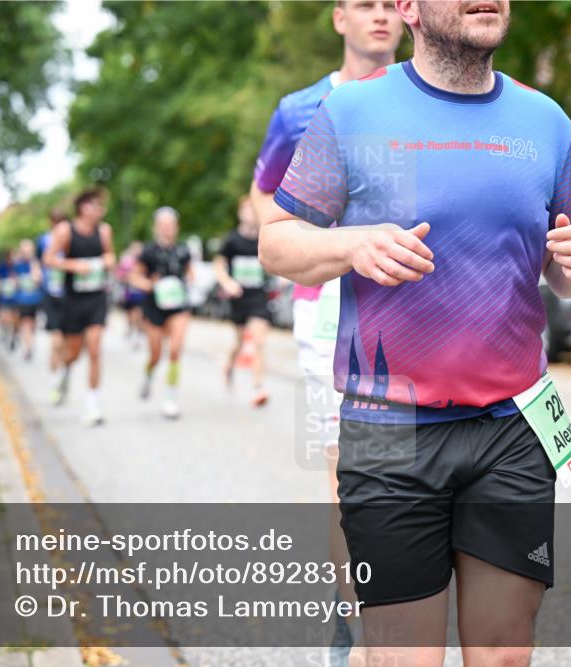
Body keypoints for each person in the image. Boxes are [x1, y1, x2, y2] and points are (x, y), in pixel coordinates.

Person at [258, 1, 571, 664]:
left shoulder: (545, 121)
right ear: (409, 8)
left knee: (504, 654)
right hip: (387, 430)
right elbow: (276, 242)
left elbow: (567, 267)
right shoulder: (355, 112)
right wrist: (352, 244)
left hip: (512, 426)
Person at [247, 2, 403, 663]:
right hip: (329, 310)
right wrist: (330, 241)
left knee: (405, 480)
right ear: (340, 18)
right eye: (366, 4)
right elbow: (264, 203)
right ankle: (351, 619)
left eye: (393, 4)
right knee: (351, 479)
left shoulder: (431, 99)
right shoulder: (300, 109)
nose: (381, 17)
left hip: (413, 309)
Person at [44, 187, 116, 426]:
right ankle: (64, 374)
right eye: (97, 205)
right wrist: (75, 266)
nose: (100, 211)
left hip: (96, 297)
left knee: (95, 348)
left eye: (102, 206)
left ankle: (93, 405)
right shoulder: (66, 230)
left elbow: (111, 257)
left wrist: (105, 262)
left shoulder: (104, 231)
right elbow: (49, 258)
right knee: (73, 352)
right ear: (83, 207)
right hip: (73, 299)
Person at [131, 206, 194, 419]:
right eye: (163, 225)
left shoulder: (183, 250)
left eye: (170, 225)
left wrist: (191, 280)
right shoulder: (148, 252)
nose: (167, 229)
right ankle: (148, 376)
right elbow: (134, 277)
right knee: (156, 355)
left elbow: (190, 272)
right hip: (154, 308)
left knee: (175, 350)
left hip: (178, 307)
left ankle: (170, 398)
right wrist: (149, 285)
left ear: (176, 228)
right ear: (156, 228)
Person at [215, 196, 273, 407]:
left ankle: (258, 387)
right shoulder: (232, 240)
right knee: (240, 342)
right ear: (240, 213)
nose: (250, 214)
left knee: (258, 341)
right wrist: (228, 282)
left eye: (253, 210)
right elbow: (219, 266)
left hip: (258, 296)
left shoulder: (264, 238)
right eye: (246, 210)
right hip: (238, 297)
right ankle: (229, 366)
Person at [38, 209, 68, 373]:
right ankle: (55, 370)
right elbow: (37, 261)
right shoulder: (43, 240)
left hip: (69, 294)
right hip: (50, 292)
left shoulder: (71, 239)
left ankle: (62, 368)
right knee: (56, 337)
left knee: (67, 338)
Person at [13, 239, 44, 362]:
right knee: (26, 323)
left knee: (33, 323)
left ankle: (30, 342)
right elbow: (13, 280)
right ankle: (28, 347)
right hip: (22, 299)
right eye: (24, 249)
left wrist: (34, 267)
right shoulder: (17, 264)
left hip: (35, 299)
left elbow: (38, 279)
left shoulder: (35, 263)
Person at [116, 241, 146, 350]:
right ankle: (131, 329)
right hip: (129, 293)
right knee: (130, 314)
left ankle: (139, 334)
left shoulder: (144, 262)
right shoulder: (127, 262)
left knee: (139, 314)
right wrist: (126, 277)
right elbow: (119, 274)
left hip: (141, 293)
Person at [0, 249, 18, 350]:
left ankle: (13, 337)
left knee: (15, 320)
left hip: (16, 298)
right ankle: (4, 333)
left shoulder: (17, 267)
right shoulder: (2, 267)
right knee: (5, 319)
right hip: (4, 297)